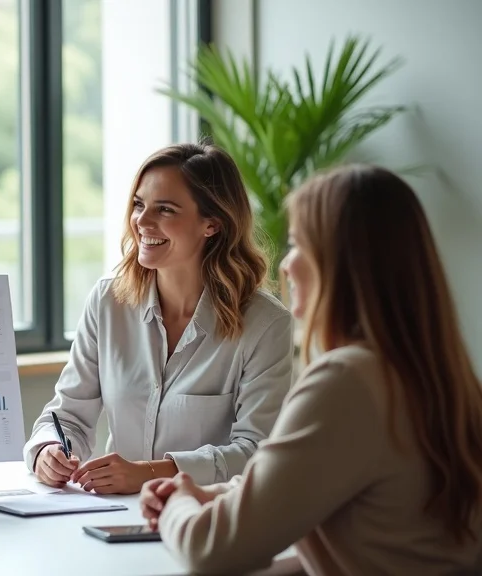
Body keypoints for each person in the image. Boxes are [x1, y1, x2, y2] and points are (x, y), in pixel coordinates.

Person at [143, 165, 482, 575]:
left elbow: (211, 550)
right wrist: (205, 494)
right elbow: (301, 493)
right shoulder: (438, 376)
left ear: (342, 262)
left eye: (298, 244)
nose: (285, 266)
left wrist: (175, 504)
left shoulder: (347, 382)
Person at [24, 143, 293, 495]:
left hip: (208, 517)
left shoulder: (266, 324)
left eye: (165, 209)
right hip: (112, 514)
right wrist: (49, 450)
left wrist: (150, 473)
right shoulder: (108, 302)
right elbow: (67, 415)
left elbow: (257, 451)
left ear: (212, 224)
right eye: (139, 204)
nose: (142, 222)